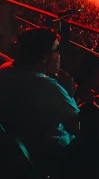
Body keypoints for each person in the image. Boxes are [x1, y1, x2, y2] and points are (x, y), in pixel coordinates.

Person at [0, 28, 79, 157]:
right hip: (49, 157)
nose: (60, 55)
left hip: (16, 153)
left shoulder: (4, 70)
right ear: (44, 57)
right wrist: (69, 93)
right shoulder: (49, 88)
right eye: (57, 50)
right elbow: (78, 126)